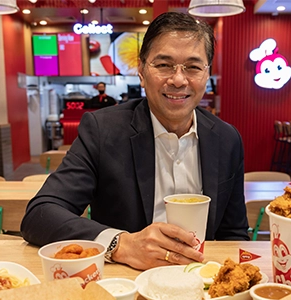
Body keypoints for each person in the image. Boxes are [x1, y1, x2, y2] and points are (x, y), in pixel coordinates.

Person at [21, 12, 249, 271]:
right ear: (141, 71)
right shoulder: (103, 130)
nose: (177, 79)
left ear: (206, 75)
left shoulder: (227, 139)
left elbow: (234, 233)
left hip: (201, 283)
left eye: (193, 67)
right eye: (164, 65)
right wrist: (120, 244)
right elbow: (40, 214)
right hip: (126, 280)